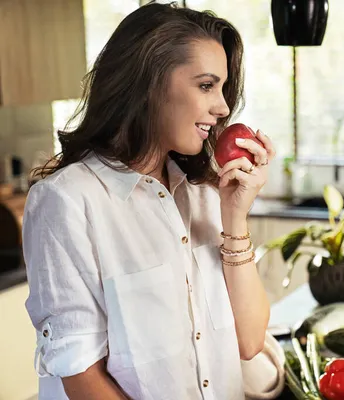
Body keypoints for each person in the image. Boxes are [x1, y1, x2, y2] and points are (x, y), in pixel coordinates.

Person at [22, 3, 273, 399]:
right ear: (149, 85)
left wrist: (235, 217)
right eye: (207, 85)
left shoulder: (205, 192)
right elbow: (81, 377)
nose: (224, 107)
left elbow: (249, 341)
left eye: (222, 88)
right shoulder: (66, 202)